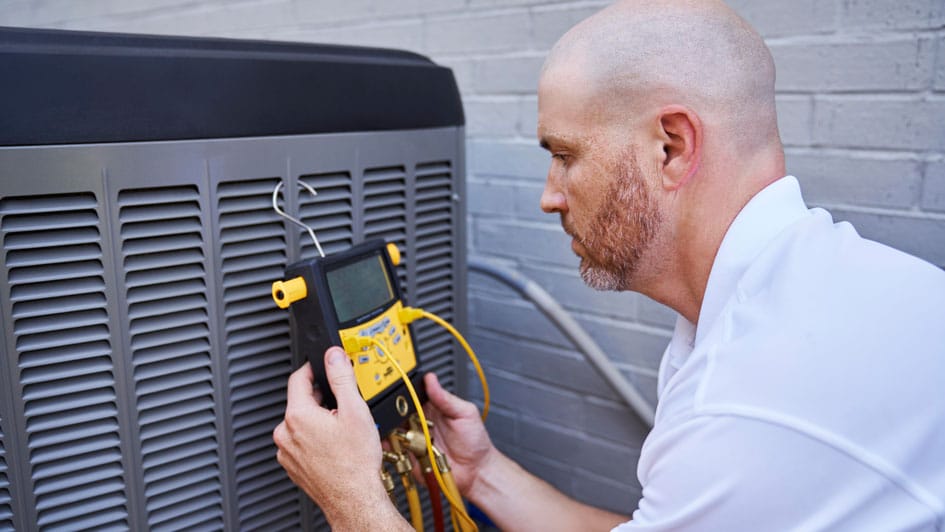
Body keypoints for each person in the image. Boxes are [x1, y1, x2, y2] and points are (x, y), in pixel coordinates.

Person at [273, 0, 945, 530]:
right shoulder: (817, 293)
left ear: (671, 148)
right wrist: (482, 474)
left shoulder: (754, 401)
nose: (547, 195)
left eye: (564, 154)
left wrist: (353, 497)